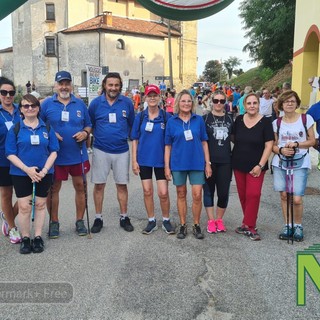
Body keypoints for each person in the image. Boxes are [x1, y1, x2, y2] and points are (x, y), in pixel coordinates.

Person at [40, 71, 92, 238]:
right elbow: (37, 123)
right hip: (55, 156)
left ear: (71, 85)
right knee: (54, 189)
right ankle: (54, 222)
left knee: (80, 187)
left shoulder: (80, 104)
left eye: (67, 83)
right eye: (61, 83)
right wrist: (50, 133)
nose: (64, 87)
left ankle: (80, 221)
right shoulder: (47, 104)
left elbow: (89, 124)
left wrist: (85, 133)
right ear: (56, 85)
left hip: (78, 154)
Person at [6, 94, 59, 253]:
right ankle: (26, 237)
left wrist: (43, 171)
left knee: (41, 204)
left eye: (33, 105)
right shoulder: (15, 129)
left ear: (38, 108)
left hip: (44, 173)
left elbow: (54, 151)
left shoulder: (47, 127)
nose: (30, 108)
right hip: (21, 173)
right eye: (26, 106)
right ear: (21, 110)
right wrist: (27, 170)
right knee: (24, 207)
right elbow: (10, 153)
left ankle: (37, 237)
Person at [88, 72, 135, 233]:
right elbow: (90, 124)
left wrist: (122, 136)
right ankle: (98, 217)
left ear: (120, 86)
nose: (113, 88)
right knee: (99, 185)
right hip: (100, 149)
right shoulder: (95, 104)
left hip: (121, 150)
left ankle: (124, 217)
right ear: (104, 85)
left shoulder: (127, 103)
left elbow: (131, 124)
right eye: (110, 85)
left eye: (116, 85)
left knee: (121, 185)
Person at [164, 89, 212, 240]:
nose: (186, 103)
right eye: (183, 101)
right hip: (178, 163)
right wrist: (167, 166)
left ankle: (196, 224)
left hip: (197, 162)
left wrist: (208, 163)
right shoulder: (172, 121)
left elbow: (204, 143)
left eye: (189, 101)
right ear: (178, 103)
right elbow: (167, 146)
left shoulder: (198, 120)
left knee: (197, 195)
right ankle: (183, 224)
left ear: (192, 103)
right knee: (181, 193)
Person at [131, 84, 175, 235]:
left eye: (154, 95)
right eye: (149, 95)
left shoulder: (166, 117)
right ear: (145, 97)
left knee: (163, 193)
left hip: (161, 160)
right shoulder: (140, 116)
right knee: (147, 191)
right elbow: (135, 139)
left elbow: (171, 142)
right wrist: (134, 160)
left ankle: (166, 220)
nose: (152, 98)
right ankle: (151, 220)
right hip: (144, 160)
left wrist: (170, 163)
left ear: (159, 97)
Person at [273, 90, 315, 242]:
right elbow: (273, 145)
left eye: (292, 101)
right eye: (286, 101)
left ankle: (298, 225)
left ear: (297, 103)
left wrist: (298, 144)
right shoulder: (276, 122)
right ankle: (287, 225)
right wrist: (282, 150)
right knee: (284, 195)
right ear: (281, 105)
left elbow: (313, 141)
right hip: (281, 162)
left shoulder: (306, 118)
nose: (289, 104)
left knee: (296, 198)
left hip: (300, 161)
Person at [232, 93, 274, 241]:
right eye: (249, 103)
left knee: (253, 195)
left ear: (259, 104)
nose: (252, 106)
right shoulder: (238, 120)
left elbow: (269, 145)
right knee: (243, 196)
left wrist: (260, 165)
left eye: (254, 103)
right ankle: (246, 224)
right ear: (244, 105)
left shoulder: (265, 122)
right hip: (238, 164)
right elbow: (232, 138)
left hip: (257, 166)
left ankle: (250, 226)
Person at [203, 91, 233, 233]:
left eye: (222, 101)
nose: (219, 103)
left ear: (225, 102)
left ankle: (219, 220)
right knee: (208, 191)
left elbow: (236, 138)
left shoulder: (230, 119)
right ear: (212, 101)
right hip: (209, 161)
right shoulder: (205, 118)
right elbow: (201, 141)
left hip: (226, 161)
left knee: (223, 193)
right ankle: (210, 221)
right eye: (216, 100)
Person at [0, 77, 21, 244]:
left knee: (26, 197)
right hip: (2, 161)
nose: (8, 95)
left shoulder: (21, 110)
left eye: (11, 92)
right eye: (4, 92)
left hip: (22, 161)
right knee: (6, 194)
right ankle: (13, 228)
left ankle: (8, 216)